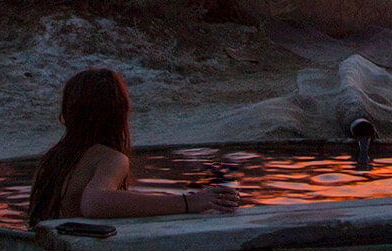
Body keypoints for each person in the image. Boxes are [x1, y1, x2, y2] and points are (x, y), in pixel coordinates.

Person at [26, 69, 240, 225]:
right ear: (120, 113)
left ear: (69, 112)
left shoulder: (52, 158)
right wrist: (190, 202)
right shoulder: (110, 159)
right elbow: (94, 204)